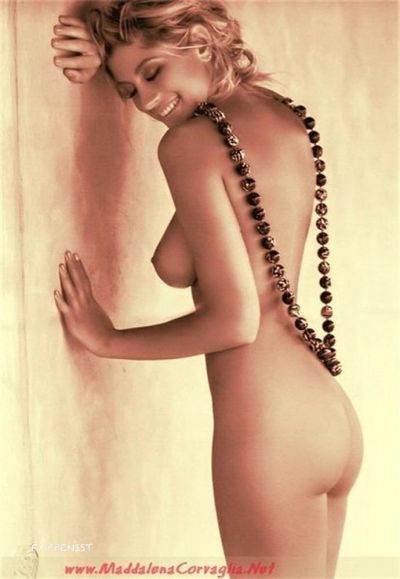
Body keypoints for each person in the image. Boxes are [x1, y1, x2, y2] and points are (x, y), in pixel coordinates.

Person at [51, 1, 364, 577]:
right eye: (127, 90)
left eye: (153, 72)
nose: (146, 100)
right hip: (326, 413)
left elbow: (234, 321)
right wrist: (119, 49)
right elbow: (178, 261)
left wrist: (107, 340)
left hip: (267, 429)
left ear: (199, 42)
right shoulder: (281, 115)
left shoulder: (189, 144)